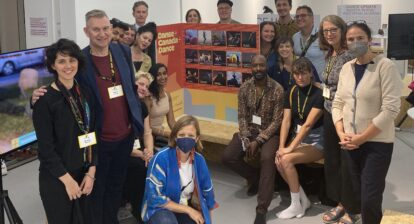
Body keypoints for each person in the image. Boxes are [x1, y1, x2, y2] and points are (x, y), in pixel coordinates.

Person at [32, 9, 145, 224]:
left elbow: (129, 86)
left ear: (111, 29)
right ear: (86, 31)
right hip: (98, 140)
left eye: (105, 29)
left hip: (125, 137)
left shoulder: (122, 50)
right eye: (96, 30)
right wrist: (35, 99)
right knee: (95, 192)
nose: (101, 34)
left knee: (115, 188)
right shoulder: (80, 60)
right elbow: (64, 90)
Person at [332, 21, 402, 224]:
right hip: (349, 141)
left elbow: (390, 109)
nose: (355, 43)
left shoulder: (385, 66)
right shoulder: (346, 68)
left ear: (369, 40)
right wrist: (340, 131)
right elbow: (338, 102)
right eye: (350, 39)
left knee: (370, 197)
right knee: (354, 192)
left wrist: (361, 138)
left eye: (360, 38)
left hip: (376, 143)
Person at [33, 38, 97, 224]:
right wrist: (68, 181)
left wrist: (91, 171)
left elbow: (92, 134)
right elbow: (46, 150)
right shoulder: (44, 101)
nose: (68, 66)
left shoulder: (85, 93)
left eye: (72, 60)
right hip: (57, 179)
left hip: (84, 175)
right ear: (53, 65)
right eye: (61, 61)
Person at [222, 54, 284, 224]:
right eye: (255, 65)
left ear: (266, 67)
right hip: (250, 131)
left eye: (261, 65)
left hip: (270, 133)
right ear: (251, 67)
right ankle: (254, 176)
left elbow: (277, 120)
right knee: (228, 156)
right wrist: (246, 137)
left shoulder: (277, 89)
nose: (258, 69)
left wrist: (259, 141)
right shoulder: (244, 88)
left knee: (266, 158)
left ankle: (262, 209)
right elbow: (242, 115)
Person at [318, 15, 360, 224]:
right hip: (328, 111)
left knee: (347, 162)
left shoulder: (348, 55)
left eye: (333, 29)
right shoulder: (329, 53)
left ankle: (351, 206)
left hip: (344, 116)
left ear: (342, 30)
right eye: (326, 31)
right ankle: (341, 202)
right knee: (332, 160)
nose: (329, 34)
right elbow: (330, 85)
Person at [141, 115, 218, 224]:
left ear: (197, 138)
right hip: (160, 208)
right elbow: (154, 198)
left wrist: (208, 220)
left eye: (190, 135)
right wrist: (189, 210)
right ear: (175, 137)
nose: (186, 138)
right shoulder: (161, 158)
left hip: (184, 206)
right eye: (182, 135)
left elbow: (208, 195)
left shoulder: (199, 161)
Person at [275, 57, 324, 219]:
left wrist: (290, 148)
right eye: (296, 74)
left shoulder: (319, 93)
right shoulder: (290, 93)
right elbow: (286, 121)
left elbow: (308, 125)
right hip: (299, 137)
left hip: (318, 140)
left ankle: (296, 205)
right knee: (279, 159)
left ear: (311, 73)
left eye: (303, 73)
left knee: (286, 160)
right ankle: (303, 199)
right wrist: (282, 147)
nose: (300, 77)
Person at [123, 71, 154, 223]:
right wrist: (140, 154)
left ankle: (146, 206)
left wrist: (149, 152)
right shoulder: (121, 105)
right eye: (141, 84)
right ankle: (137, 210)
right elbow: (118, 142)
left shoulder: (142, 107)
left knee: (151, 165)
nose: (143, 88)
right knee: (138, 168)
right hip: (123, 151)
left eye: (146, 86)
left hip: (139, 150)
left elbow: (148, 133)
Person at [292, 5, 325, 81]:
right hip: (302, 82)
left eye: (303, 15)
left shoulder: (322, 35)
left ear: (312, 18)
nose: (299, 18)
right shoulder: (295, 37)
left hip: (320, 84)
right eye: (297, 16)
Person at [147, 63, 176, 142]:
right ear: (153, 77)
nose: (163, 77)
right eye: (158, 75)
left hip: (161, 135)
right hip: (149, 137)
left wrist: (179, 133)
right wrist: (165, 133)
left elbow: (171, 121)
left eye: (164, 73)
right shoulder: (148, 97)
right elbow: (147, 127)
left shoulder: (167, 94)